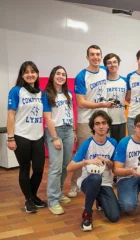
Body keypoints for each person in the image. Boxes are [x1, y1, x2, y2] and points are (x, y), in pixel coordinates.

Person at [68, 45, 113, 198]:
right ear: (87, 57)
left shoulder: (104, 71)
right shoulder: (82, 76)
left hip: (103, 120)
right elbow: (81, 102)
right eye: (92, 54)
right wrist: (102, 105)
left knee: (103, 152)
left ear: (101, 56)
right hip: (86, 121)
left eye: (98, 54)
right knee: (82, 154)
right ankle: (75, 184)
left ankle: (103, 180)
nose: (95, 57)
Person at [67, 110, 120, 231]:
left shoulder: (113, 143)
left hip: (106, 182)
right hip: (88, 181)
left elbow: (114, 169)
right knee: (96, 178)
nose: (101, 126)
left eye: (104, 123)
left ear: (108, 125)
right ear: (93, 127)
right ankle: (87, 213)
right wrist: (86, 162)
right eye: (97, 124)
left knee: (114, 217)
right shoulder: (88, 143)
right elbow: (69, 168)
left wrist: (108, 161)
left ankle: (98, 199)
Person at [7, 61, 46, 213]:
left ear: (37, 74)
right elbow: (11, 115)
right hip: (21, 135)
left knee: (38, 169)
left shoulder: (40, 92)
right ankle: (29, 199)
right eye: (26, 72)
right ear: (22, 75)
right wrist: (10, 138)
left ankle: (33, 195)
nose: (30, 74)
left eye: (33, 71)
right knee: (24, 169)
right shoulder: (16, 91)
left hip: (38, 136)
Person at [43, 66, 76, 215]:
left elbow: (71, 113)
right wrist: (55, 137)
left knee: (65, 165)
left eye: (64, 74)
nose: (61, 76)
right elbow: (48, 118)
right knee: (55, 167)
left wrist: (73, 130)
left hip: (68, 130)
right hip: (55, 132)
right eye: (58, 74)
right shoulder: (48, 94)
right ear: (52, 76)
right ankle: (52, 200)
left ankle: (59, 193)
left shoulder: (68, 94)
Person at [103, 53, 128, 142]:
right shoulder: (103, 82)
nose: (112, 65)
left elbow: (128, 98)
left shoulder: (125, 81)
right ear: (105, 65)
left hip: (121, 121)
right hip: (106, 121)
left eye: (115, 62)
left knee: (120, 148)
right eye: (109, 63)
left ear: (118, 64)